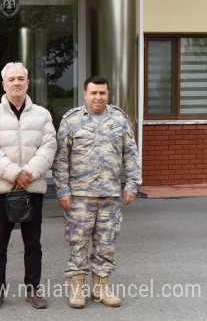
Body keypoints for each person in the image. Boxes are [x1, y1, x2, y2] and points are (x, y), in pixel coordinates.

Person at [53, 76, 141, 309]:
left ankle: (101, 288)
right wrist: (62, 189)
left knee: (106, 243)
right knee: (78, 242)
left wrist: (132, 183)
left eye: (102, 93)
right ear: (85, 94)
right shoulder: (71, 121)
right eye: (93, 93)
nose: (98, 97)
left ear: (108, 94)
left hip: (111, 194)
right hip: (80, 195)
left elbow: (130, 154)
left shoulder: (119, 119)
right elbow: (61, 159)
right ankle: (78, 289)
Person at [0, 63, 57, 310]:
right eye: (11, 79)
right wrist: (15, 175)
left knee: (33, 243)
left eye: (20, 78)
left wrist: (30, 173)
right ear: (3, 84)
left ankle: (33, 289)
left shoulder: (42, 115)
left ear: (28, 82)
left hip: (32, 189)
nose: (16, 83)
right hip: (4, 190)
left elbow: (49, 147)